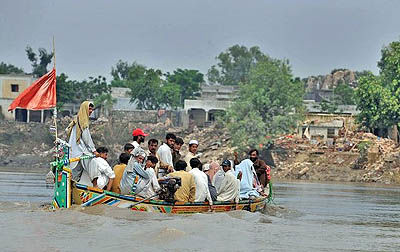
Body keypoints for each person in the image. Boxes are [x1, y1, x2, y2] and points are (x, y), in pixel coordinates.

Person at [66, 101, 99, 183]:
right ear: (84, 109)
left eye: (92, 109)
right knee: (93, 165)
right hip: (81, 151)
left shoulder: (76, 119)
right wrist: (94, 150)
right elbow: (87, 138)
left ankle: (73, 189)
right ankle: (95, 186)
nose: (91, 111)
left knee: (75, 175)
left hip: (74, 151)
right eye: (89, 109)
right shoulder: (83, 121)